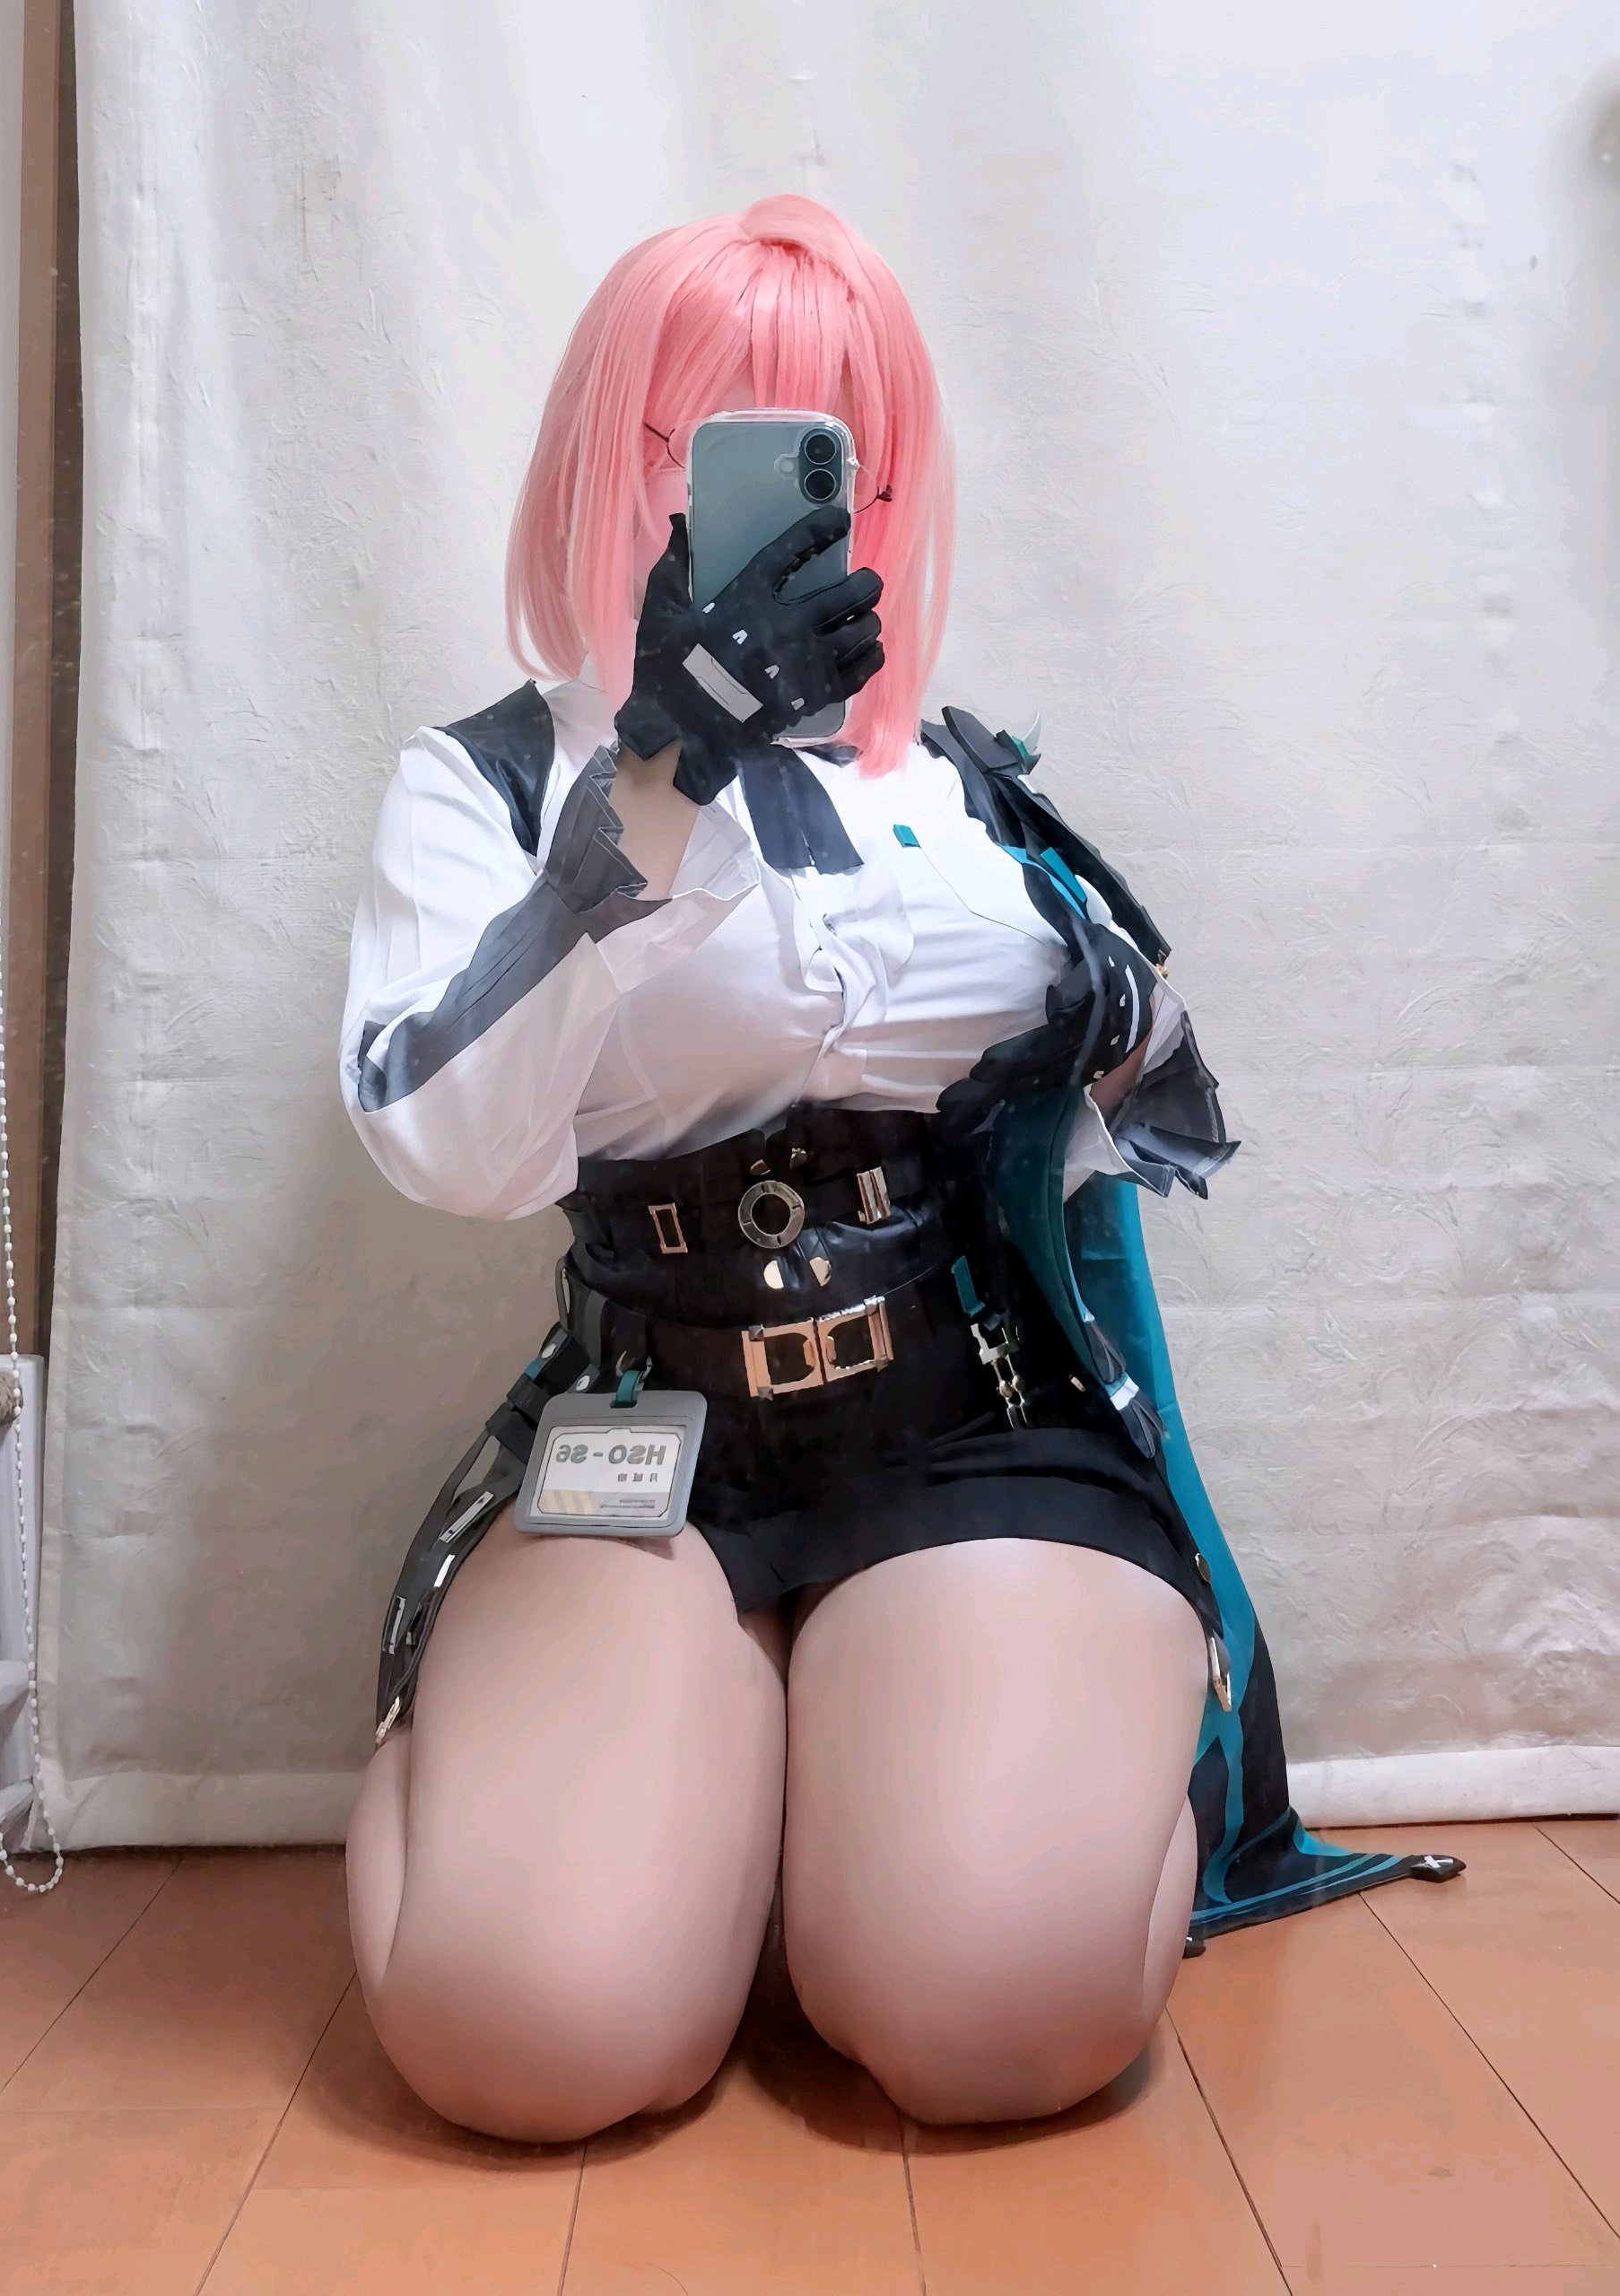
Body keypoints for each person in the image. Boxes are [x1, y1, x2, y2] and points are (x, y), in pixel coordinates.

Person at [337, 194, 1457, 2144]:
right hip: (650, 1435)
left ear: (889, 487)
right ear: (612, 453)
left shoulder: (962, 790)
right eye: (702, 441)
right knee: (527, 2021)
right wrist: (661, 779)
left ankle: (880, 1808)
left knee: (999, 2004)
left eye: (827, 454)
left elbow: (1137, 1111)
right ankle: (742, 1807)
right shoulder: (501, 781)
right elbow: (453, 1144)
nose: (766, 499)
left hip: (972, 1417)